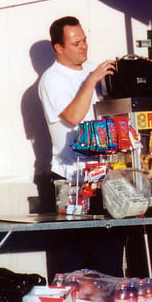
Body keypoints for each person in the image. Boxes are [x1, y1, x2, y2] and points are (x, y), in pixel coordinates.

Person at [39, 16, 115, 182]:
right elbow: (73, 117)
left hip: (101, 169)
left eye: (84, 41)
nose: (83, 47)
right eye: (76, 44)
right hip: (72, 173)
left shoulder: (92, 68)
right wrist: (91, 80)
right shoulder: (52, 79)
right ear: (59, 47)